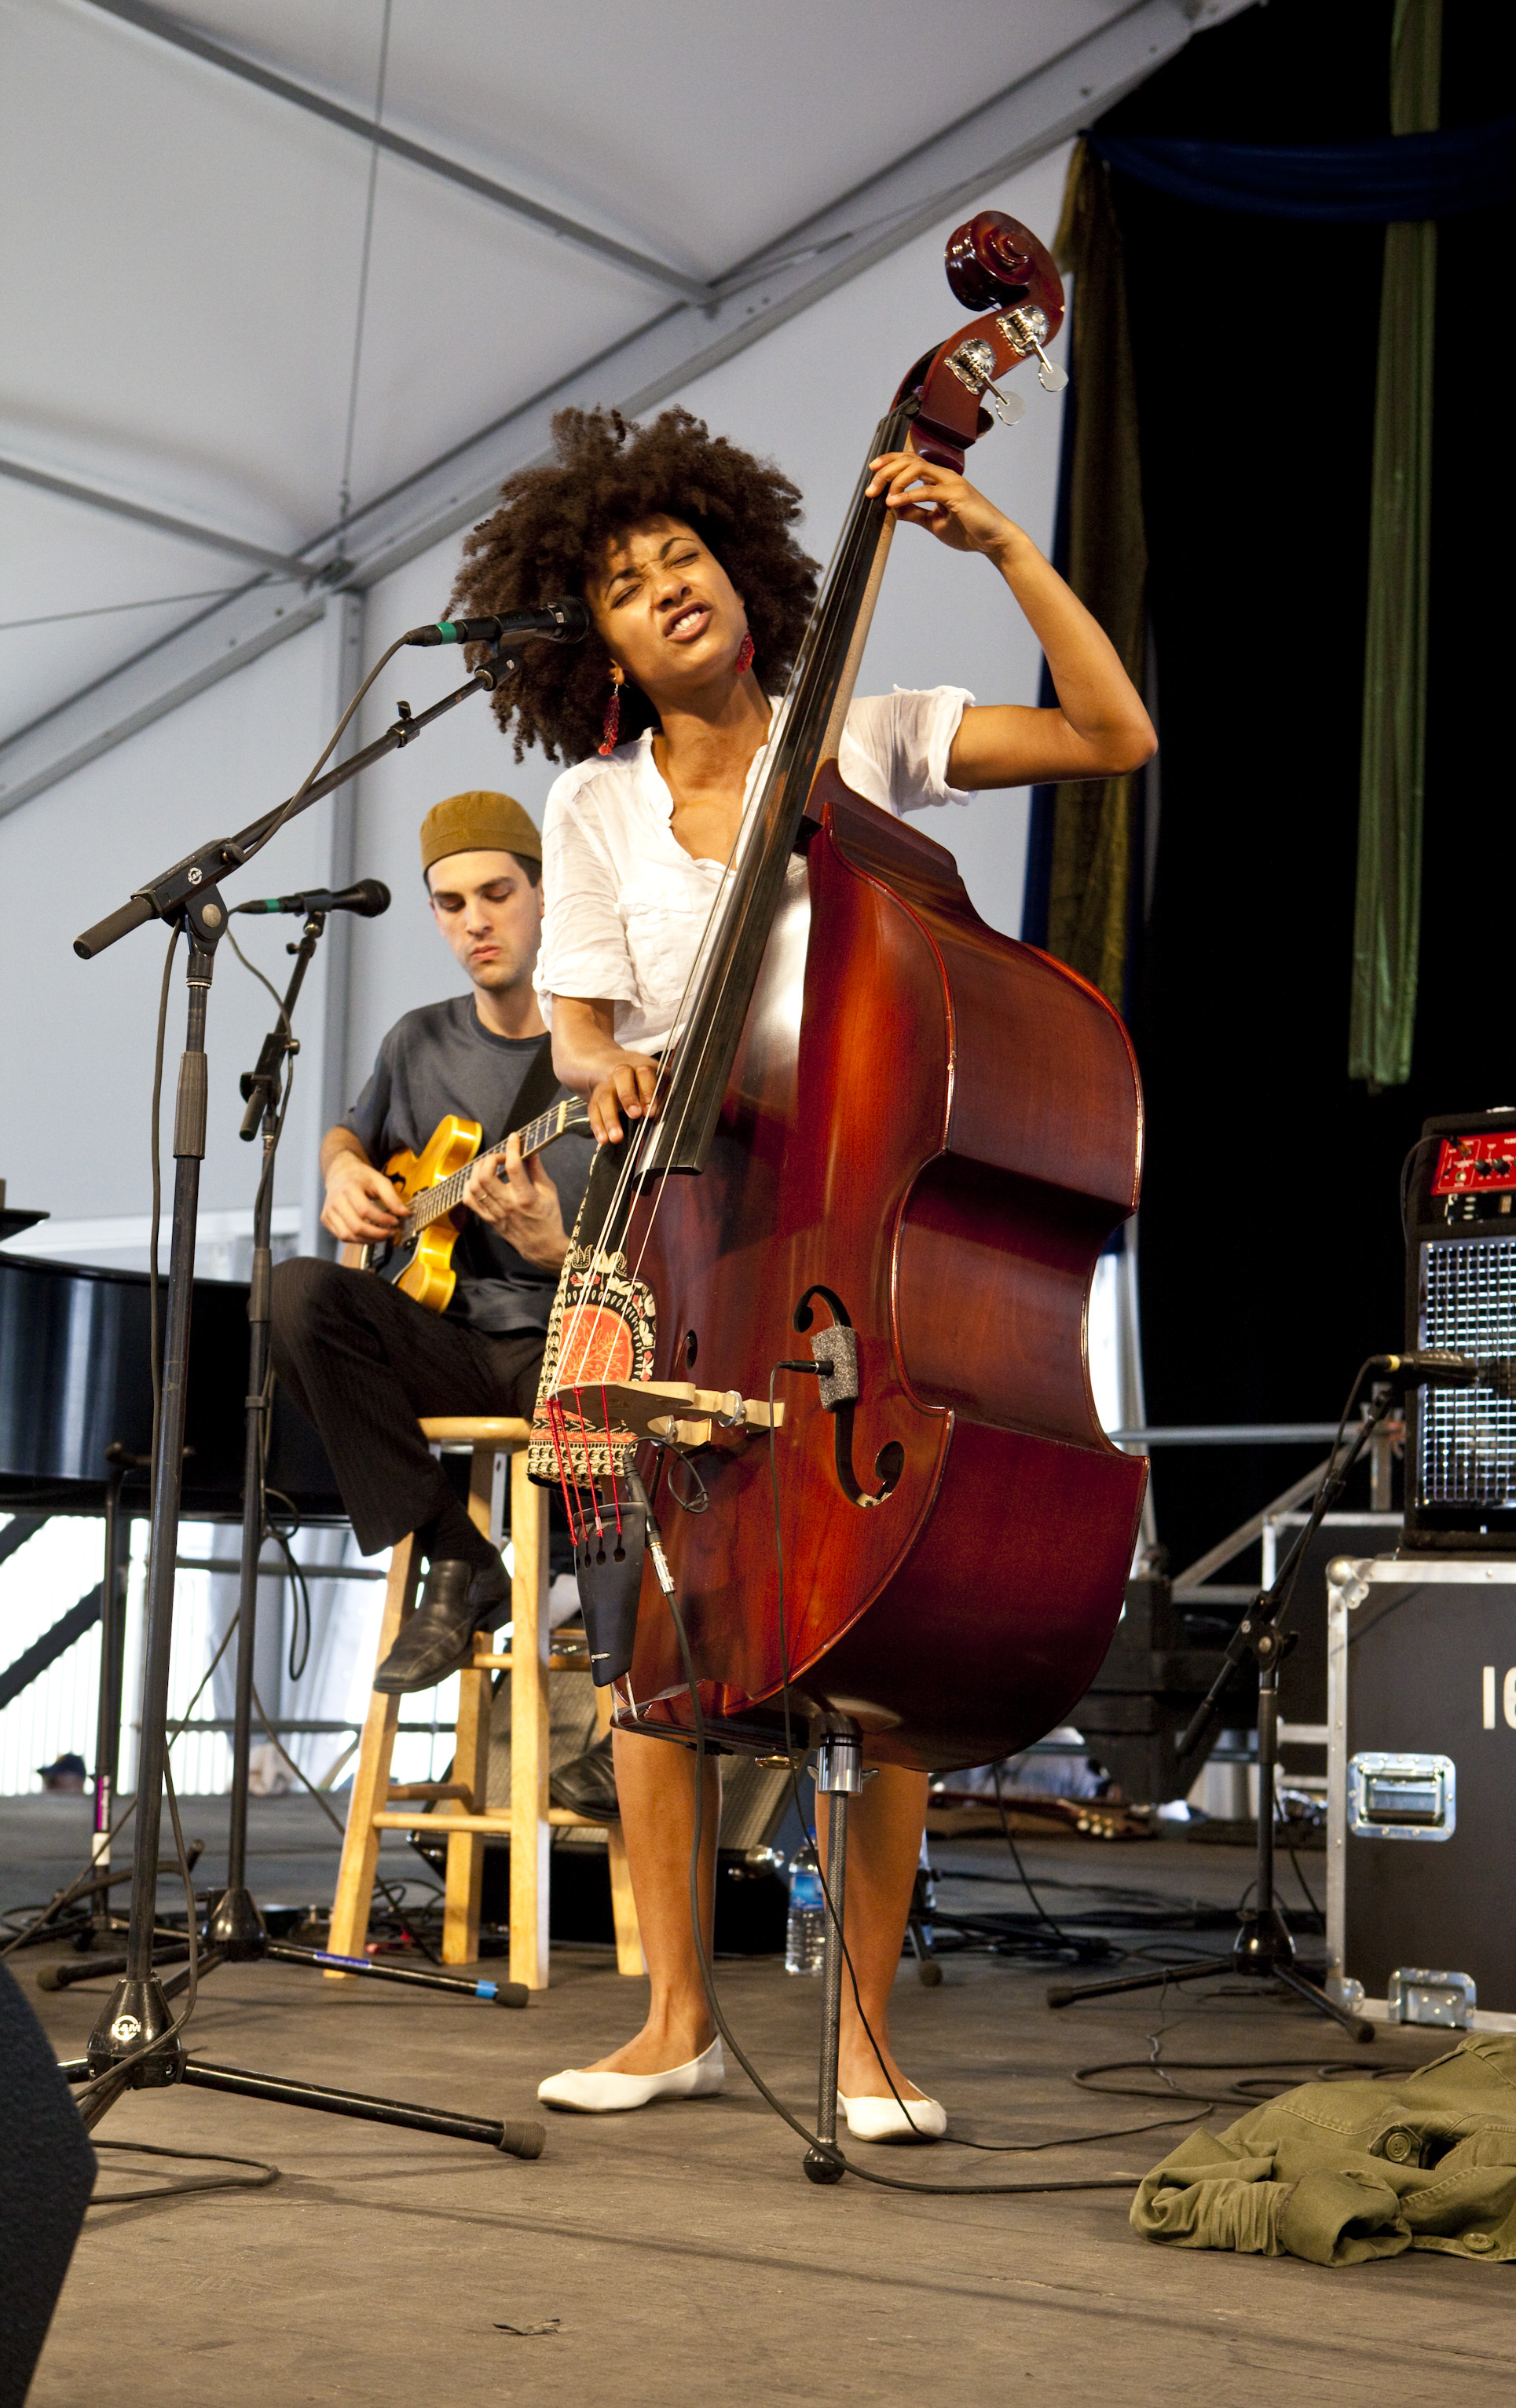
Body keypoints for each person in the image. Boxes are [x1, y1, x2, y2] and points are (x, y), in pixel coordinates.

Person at [448, 405, 1155, 2137]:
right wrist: (596, 1066)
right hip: (685, 1223)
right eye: (622, 582)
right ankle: (673, 2020)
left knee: (884, 1619)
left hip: (847, 1242)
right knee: (655, 1628)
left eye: (681, 553)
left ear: (745, 571)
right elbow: (584, 1034)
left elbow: (1111, 734)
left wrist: (994, 543)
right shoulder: (596, 800)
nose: (662, 587)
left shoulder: (866, 736)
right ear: (598, 639)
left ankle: (861, 2045)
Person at [270, 791, 594, 1694]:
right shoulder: (417, 1040)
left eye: (496, 894)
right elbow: (350, 1135)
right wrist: (342, 1173)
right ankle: (458, 1555)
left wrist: (555, 1251)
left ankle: (585, 1633)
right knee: (293, 1294)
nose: (475, 923)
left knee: (609, 1383)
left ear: (545, 893)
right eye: (451, 905)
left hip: (564, 1345)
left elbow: (667, 1264)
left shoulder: (602, 1051)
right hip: (446, 1338)